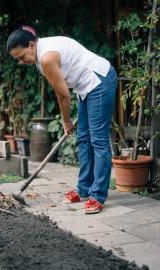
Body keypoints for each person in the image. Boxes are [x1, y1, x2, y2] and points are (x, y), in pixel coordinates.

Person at [7, 25, 118, 214]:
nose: (21, 61)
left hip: (99, 80)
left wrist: (66, 121)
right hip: (85, 88)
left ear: (31, 45)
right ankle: (84, 188)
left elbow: (63, 95)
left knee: (98, 141)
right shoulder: (40, 56)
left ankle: (97, 195)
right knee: (83, 139)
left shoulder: (47, 57)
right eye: (17, 59)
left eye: (21, 56)